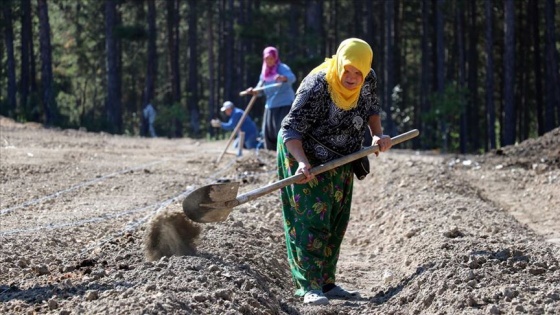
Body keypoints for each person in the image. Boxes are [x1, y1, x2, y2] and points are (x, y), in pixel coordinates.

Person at [277, 38, 393, 305]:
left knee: (335, 219)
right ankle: (309, 286)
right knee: (310, 220)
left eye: (358, 73)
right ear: (339, 63)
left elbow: (371, 109)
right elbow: (290, 129)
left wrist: (377, 136)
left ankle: (327, 283)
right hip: (303, 154)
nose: (352, 78)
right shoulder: (317, 85)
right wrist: (302, 162)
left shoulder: (368, 78)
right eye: (347, 70)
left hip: (342, 157)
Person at [244, 46, 296, 151]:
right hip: (270, 106)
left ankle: (286, 154)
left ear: (275, 58)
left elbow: (292, 78)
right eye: (267, 58)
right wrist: (254, 91)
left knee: (282, 131)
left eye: (271, 58)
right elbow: (260, 89)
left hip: (284, 104)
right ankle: (273, 155)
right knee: (268, 133)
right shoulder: (264, 73)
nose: (269, 61)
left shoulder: (282, 68)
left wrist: (283, 78)